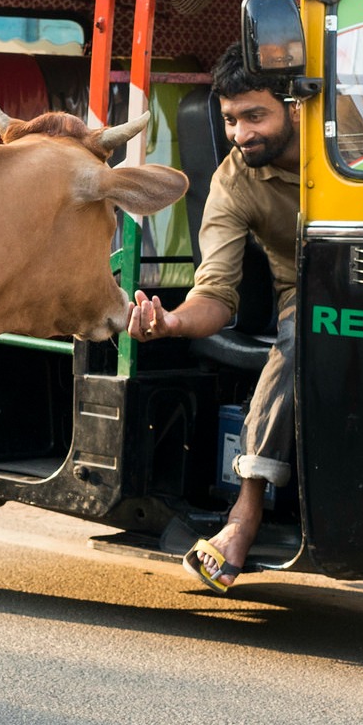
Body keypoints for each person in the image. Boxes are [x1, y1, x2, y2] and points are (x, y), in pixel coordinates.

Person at [127, 41, 303, 592]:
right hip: (312, 296)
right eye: (230, 120)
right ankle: (242, 522)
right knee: (308, 333)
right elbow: (216, 295)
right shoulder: (234, 181)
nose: (240, 133)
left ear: (296, 106)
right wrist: (173, 323)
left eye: (255, 116)